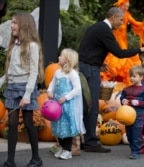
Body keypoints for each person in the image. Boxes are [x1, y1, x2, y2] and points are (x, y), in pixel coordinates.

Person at [78, 6, 144, 153]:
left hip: (86, 67)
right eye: (120, 20)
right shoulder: (105, 30)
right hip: (89, 70)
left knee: (85, 105)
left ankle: (83, 139)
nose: (122, 23)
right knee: (92, 104)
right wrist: (140, 49)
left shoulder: (96, 27)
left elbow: (87, 49)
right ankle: (91, 142)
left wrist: (98, 63)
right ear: (112, 17)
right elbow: (119, 53)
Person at [0, 12, 44, 167]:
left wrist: (27, 94)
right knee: (12, 123)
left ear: (24, 25)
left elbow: (34, 72)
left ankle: (36, 158)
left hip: (26, 88)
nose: (11, 25)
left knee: (28, 122)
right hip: (12, 87)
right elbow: (9, 71)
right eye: (12, 22)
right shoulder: (13, 45)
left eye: (14, 23)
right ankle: (10, 161)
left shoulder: (32, 46)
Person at [101, 0, 144, 85]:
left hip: (123, 39)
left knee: (123, 56)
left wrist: (142, 24)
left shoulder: (127, 15)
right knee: (117, 55)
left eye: (128, 6)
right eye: (126, 6)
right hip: (116, 38)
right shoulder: (115, 17)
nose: (127, 8)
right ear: (121, 5)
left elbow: (134, 23)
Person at [47, 48, 85, 160]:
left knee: (66, 128)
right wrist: (50, 91)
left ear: (67, 60)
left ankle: (68, 150)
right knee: (58, 127)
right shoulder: (57, 72)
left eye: (61, 56)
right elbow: (52, 84)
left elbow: (78, 89)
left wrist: (66, 97)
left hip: (67, 106)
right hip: (56, 105)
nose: (58, 57)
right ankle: (62, 147)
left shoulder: (72, 74)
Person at [120, 65, 144, 159]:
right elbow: (122, 97)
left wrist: (139, 102)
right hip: (127, 114)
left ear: (141, 77)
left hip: (139, 114)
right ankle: (133, 148)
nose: (131, 78)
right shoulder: (127, 89)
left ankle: (136, 152)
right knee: (129, 133)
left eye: (134, 76)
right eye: (130, 76)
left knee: (136, 132)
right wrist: (123, 101)